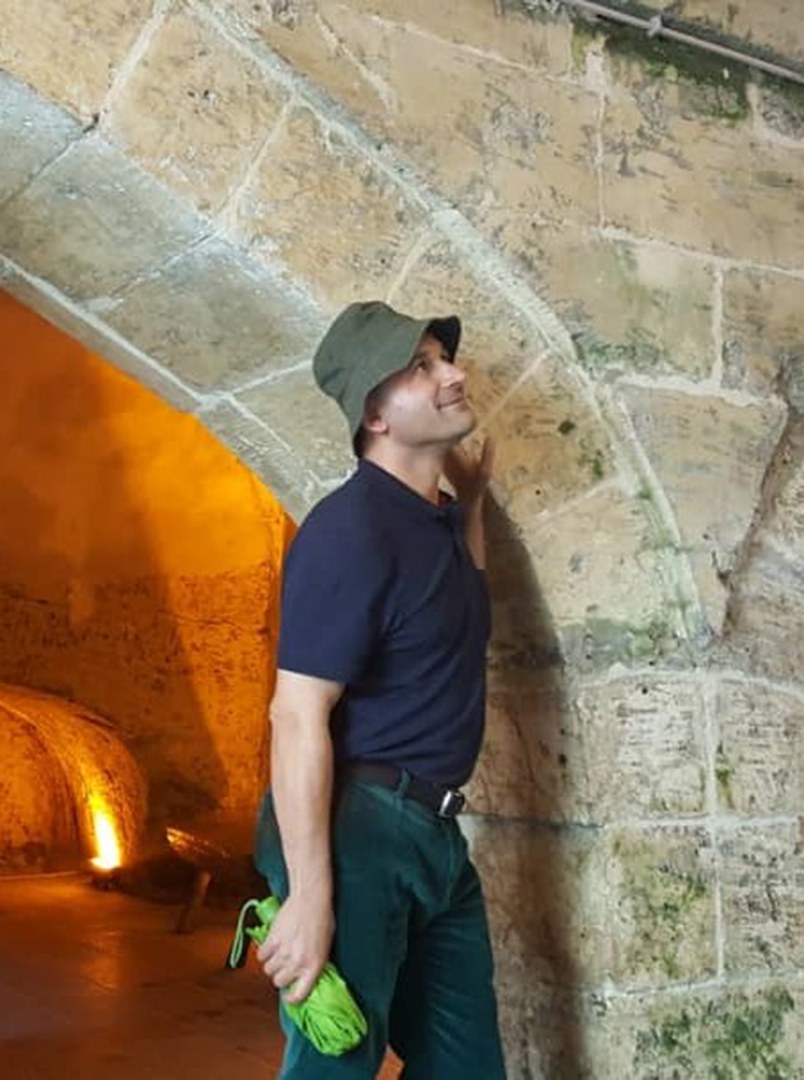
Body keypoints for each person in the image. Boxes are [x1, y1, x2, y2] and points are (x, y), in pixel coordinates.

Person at [254, 300, 507, 1079]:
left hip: (433, 834)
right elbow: (296, 713)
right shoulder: (349, 530)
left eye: (445, 358)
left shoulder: (432, 520)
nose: (453, 373)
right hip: (357, 827)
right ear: (375, 411)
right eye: (423, 366)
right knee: (337, 1064)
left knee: (468, 1067)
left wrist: (470, 500)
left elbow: (463, 586)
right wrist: (308, 895)